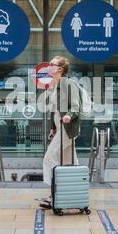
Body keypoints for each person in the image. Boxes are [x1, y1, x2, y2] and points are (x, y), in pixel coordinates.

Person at [39, 56, 81, 209]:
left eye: (52, 64)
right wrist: (53, 127)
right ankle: (74, 193)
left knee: (49, 157)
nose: (49, 66)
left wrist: (69, 115)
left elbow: (76, 106)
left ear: (60, 69)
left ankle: (54, 195)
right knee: (70, 162)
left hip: (67, 128)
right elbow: (54, 110)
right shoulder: (54, 85)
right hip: (60, 127)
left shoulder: (69, 83)